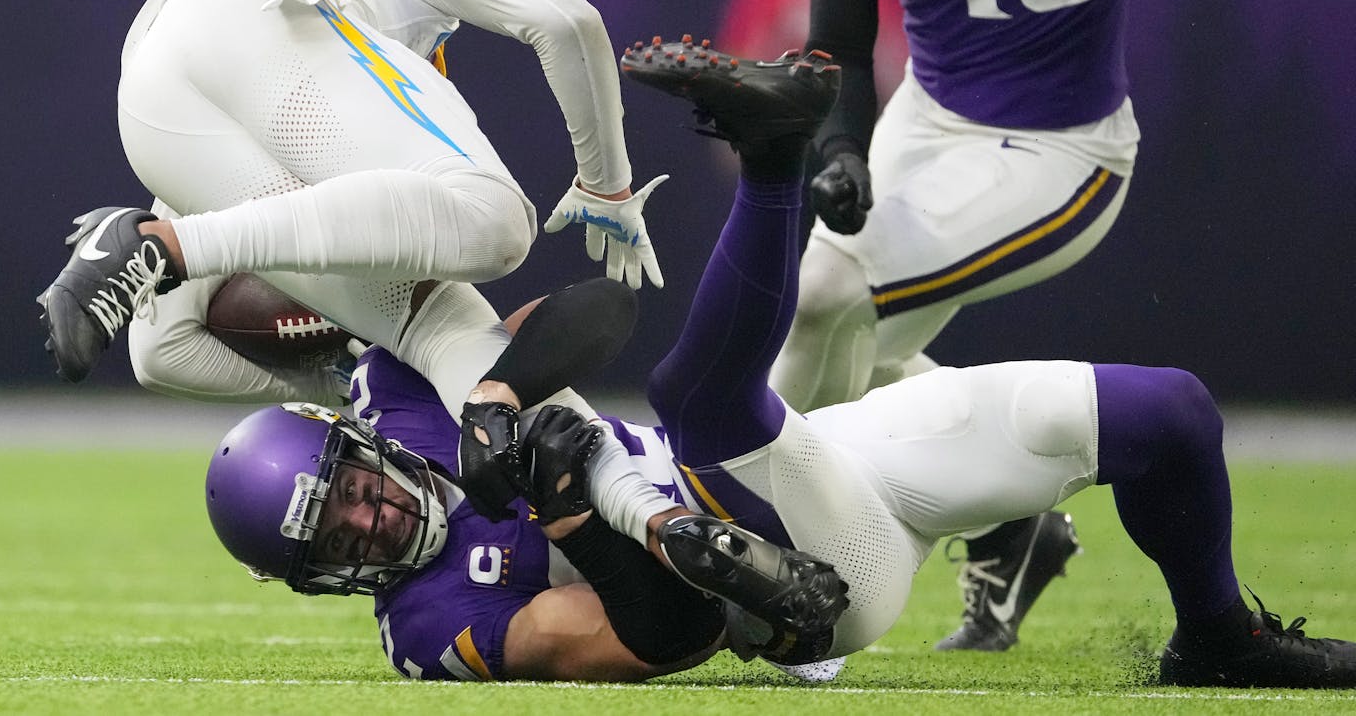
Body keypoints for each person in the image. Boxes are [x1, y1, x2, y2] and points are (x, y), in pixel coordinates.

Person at [205, 41, 1356, 687]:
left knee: (1170, 413)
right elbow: (660, 639)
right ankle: (773, 159)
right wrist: (578, 523)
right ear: (316, 580)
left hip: (817, 460)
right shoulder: (432, 625)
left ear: (350, 443)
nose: (364, 520)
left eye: (346, 491)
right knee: (697, 405)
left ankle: (1214, 636)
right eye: (335, 541)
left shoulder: (401, 398)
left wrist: (500, 390)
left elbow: (599, 304)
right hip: (792, 587)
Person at [753, 0, 1356, 651]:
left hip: (1062, 150)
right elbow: (839, 41)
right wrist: (842, 147)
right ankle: (991, 527)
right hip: (930, 120)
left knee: (827, 296)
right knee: (846, 333)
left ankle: (759, 553)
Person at [36, 0, 667, 414]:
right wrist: (605, 185)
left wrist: (347, 371)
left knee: (434, 331)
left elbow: (161, 348)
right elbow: (567, 21)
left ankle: (607, 494)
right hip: (256, 19)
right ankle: (163, 246)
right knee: (493, 220)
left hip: (152, 105)